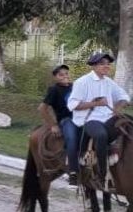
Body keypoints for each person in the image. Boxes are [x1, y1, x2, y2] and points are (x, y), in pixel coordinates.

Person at [67, 52, 130, 192]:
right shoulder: (82, 82)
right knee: (101, 135)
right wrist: (95, 103)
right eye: (102, 64)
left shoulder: (109, 82)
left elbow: (124, 96)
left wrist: (118, 107)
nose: (106, 66)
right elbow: (72, 105)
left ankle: (111, 155)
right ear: (94, 66)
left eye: (108, 64)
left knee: (128, 122)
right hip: (89, 119)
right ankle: (102, 175)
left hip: (108, 118)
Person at [39, 64, 80, 185]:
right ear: (55, 77)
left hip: (80, 118)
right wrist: (53, 125)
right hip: (66, 120)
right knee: (72, 138)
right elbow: (42, 108)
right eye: (61, 75)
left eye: (66, 74)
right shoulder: (54, 90)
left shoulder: (75, 87)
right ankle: (73, 171)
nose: (65, 76)